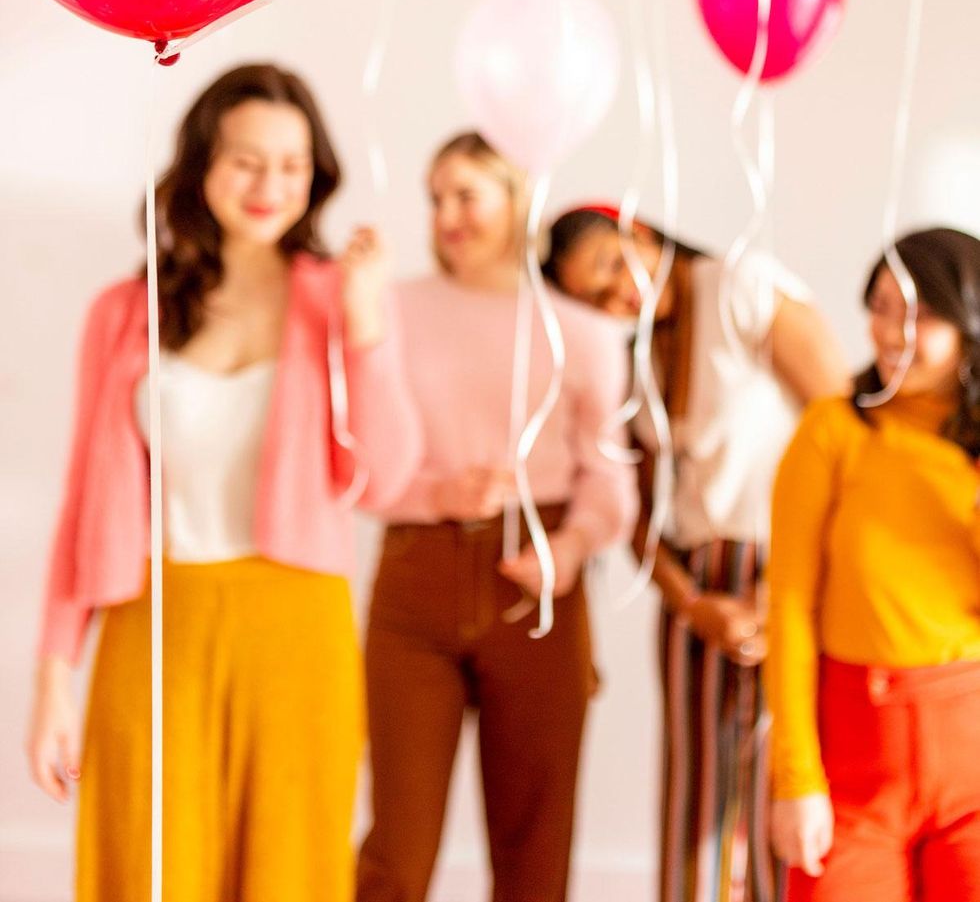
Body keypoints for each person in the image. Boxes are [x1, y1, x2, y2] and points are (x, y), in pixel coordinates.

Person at [26, 63, 422, 902]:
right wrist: (54, 676)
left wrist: (365, 322)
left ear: (316, 174)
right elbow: (83, 505)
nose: (268, 183)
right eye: (245, 159)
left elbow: (385, 480)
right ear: (202, 163)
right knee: (145, 869)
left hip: (295, 630)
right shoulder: (127, 312)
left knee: (289, 874)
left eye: (291, 163)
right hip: (152, 624)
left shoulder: (340, 298)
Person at [355, 134, 638, 902]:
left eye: (466, 194)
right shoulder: (389, 306)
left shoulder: (583, 332)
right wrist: (433, 496)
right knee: (395, 852)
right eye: (435, 195)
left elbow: (611, 475)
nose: (446, 213)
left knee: (535, 847)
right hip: (415, 579)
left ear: (516, 199)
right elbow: (355, 460)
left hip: (539, 589)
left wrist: (571, 549)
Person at [543, 205, 849, 902]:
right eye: (595, 297)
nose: (618, 294)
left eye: (615, 265)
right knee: (698, 800)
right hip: (696, 596)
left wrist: (777, 596)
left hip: (789, 569)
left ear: (643, 235)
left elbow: (843, 432)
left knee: (787, 786)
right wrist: (688, 601)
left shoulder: (740, 284)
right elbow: (640, 507)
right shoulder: (637, 355)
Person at [768, 227, 980, 901]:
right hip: (855, 763)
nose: (891, 332)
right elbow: (790, 608)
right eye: (881, 306)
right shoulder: (834, 431)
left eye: (916, 313)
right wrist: (797, 779)